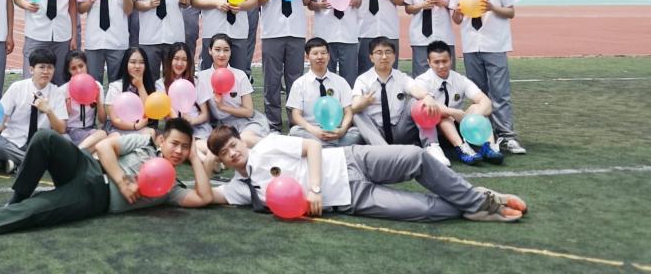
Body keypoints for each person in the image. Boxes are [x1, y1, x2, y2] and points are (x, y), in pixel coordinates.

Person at [0, 117, 214, 243]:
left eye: (185, 147)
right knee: (45, 138)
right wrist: (123, 180)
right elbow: (105, 147)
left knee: (36, 211)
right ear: (162, 140)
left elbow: (203, 197)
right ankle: (15, 199)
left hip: (95, 197)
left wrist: (195, 159)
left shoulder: (171, 187)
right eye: (175, 144)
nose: (179, 151)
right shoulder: (144, 144)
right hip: (87, 165)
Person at [207, 125, 527, 222]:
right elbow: (198, 195)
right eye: (224, 153)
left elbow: (312, 147)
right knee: (425, 210)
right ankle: (477, 204)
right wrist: (202, 161)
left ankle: (477, 200)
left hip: (351, 160)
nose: (232, 153)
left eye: (233, 145)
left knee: (415, 156)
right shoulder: (241, 189)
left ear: (240, 141)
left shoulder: (266, 146)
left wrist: (314, 189)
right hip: (352, 199)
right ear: (221, 160)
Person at [449, 0, 526, 155]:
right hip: (471, 46)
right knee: (478, 94)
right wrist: (458, 12)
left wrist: (492, 7)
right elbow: (456, 19)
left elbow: (510, 12)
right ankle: (485, 135)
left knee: (500, 93)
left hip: (495, 44)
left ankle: (507, 136)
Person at [251, 0, 311, 131]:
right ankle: (273, 124)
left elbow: (307, 0)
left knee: (295, 80)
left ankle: (296, 122)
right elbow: (256, 1)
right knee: (272, 81)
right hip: (272, 32)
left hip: (296, 30)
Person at [415, 40, 502, 165]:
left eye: (444, 61)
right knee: (443, 116)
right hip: (433, 131)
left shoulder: (460, 79)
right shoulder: (422, 80)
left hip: (458, 127)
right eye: (436, 62)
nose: (441, 66)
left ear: (451, 60)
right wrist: (453, 112)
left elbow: (486, 103)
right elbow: (427, 106)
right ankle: (462, 149)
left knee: (477, 107)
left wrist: (473, 117)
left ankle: (489, 147)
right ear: (429, 62)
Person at [0, 48, 67, 172]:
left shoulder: (57, 92)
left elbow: (61, 129)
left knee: (65, 142)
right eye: (41, 67)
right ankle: (36, 163)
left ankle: (17, 163)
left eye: (50, 67)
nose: (46, 71)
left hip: (40, 144)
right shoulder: (17, 88)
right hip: (14, 141)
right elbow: (2, 115)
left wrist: (48, 111)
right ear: (31, 69)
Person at [351, 38, 437, 150]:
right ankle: (384, 150)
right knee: (357, 114)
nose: (384, 57)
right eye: (379, 53)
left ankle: (432, 146)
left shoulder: (401, 77)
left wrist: (427, 96)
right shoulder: (363, 80)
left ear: (394, 56)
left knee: (418, 102)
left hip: (400, 129)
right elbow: (354, 105)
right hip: (375, 131)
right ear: (371, 57)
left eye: (388, 52)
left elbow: (415, 89)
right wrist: (363, 103)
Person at [195, 34, 268, 145]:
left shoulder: (240, 75)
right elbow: (203, 111)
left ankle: (282, 146)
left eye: (226, 50)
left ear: (230, 52)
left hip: (248, 122)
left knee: (245, 140)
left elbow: (249, 112)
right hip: (225, 126)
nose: (222, 54)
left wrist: (223, 107)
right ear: (210, 51)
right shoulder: (201, 78)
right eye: (217, 50)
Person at [287, 38, 361, 147]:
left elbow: (348, 111)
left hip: (336, 130)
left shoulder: (340, 81)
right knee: (295, 131)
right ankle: (334, 148)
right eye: (315, 53)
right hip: (311, 130)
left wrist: (342, 130)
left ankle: (318, 147)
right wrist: (314, 130)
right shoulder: (299, 83)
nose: (320, 57)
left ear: (329, 56)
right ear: (307, 57)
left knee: (356, 133)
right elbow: (296, 115)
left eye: (323, 53)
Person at [157, 42, 211, 158]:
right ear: (170, 60)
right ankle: (203, 157)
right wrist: (181, 123)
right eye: (176, 59)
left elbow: (205, 115)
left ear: (189, 62)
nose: (180, 63)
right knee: (182, 148)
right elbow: (166, 114)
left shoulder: (196, 82)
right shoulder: (161, 84)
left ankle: (203, 155)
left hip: (198, 129)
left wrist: (192, 121)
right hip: (175, 129)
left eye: (184, 60)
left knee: (199, 147)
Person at [59, 50, 108, 152]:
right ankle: (80, 154)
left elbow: (102, 120)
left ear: (86, 65)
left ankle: (77, 153)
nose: (78, 71)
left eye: (81, 66)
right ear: (68, 71)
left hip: (89, 131)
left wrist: (98, 99)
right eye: (73, 68)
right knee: (101, 141)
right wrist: (67, 110)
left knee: (103, 135)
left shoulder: (96, 86)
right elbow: (60, 126)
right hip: (70, 131)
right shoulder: (62, 90)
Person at [105, 47, 157, 134]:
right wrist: (135, 126)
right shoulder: (116, 86)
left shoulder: (149, 86)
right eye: (133, 62)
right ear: (125, 64)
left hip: (141, 128)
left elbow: (149, 113)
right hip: (118, 129)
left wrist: (140, 86)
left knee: (151, 133)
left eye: (142, 62)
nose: (137, 66)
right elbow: (115, 120)